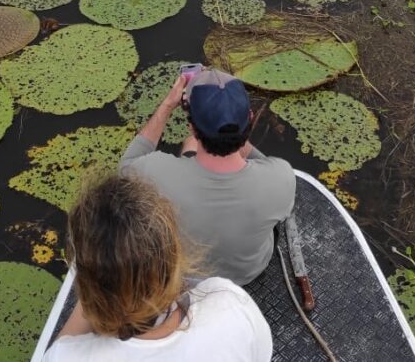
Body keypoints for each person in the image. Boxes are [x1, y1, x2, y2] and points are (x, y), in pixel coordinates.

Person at [42, 175, 273, 362]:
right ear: (173, 255)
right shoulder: (230, 304)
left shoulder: (64, 356)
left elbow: (62, 348)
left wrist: (97, 284)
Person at [120, 68, 296, 285]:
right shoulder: (281, 177)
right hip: (247, 275)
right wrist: (236, 135)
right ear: (250, 119)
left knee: (189, 148)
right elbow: (263, 164)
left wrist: (167, 105)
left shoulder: (155, 173)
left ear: (192, 128)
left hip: (186, 276)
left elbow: (126, 166)